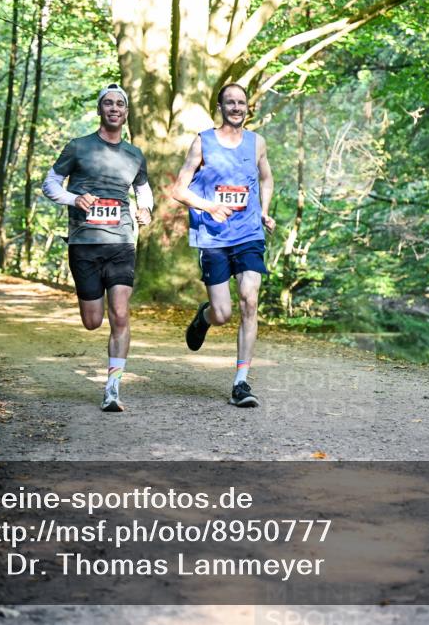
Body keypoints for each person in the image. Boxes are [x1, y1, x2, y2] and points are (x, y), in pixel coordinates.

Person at [42, 83, 153, 412]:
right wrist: (74, 198)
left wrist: (144, 209)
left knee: (120, 313)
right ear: (100, 110)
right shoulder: (78, 147)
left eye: (120, 104)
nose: (114, 108)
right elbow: (49, 184)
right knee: (93, 321)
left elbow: (143, 190)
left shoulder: (134, 154)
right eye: (108, 103)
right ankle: (109, 368)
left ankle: (113, 387)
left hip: (120, 242)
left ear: (126, 112)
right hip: (84, 244)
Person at [171, 83, 276, 408]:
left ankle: (241, 382)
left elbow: (266, 178)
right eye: (230, 102)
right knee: (223, 312)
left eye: (241, 102)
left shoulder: (257, 142)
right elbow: (179, 190)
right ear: (220, 106)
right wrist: (209, 207)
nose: (236, 107)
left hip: (248, 235)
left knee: (249, 299)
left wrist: (265, 211)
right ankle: (204, 317)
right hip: (214, 237)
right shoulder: (203, 142)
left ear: (248, 107)